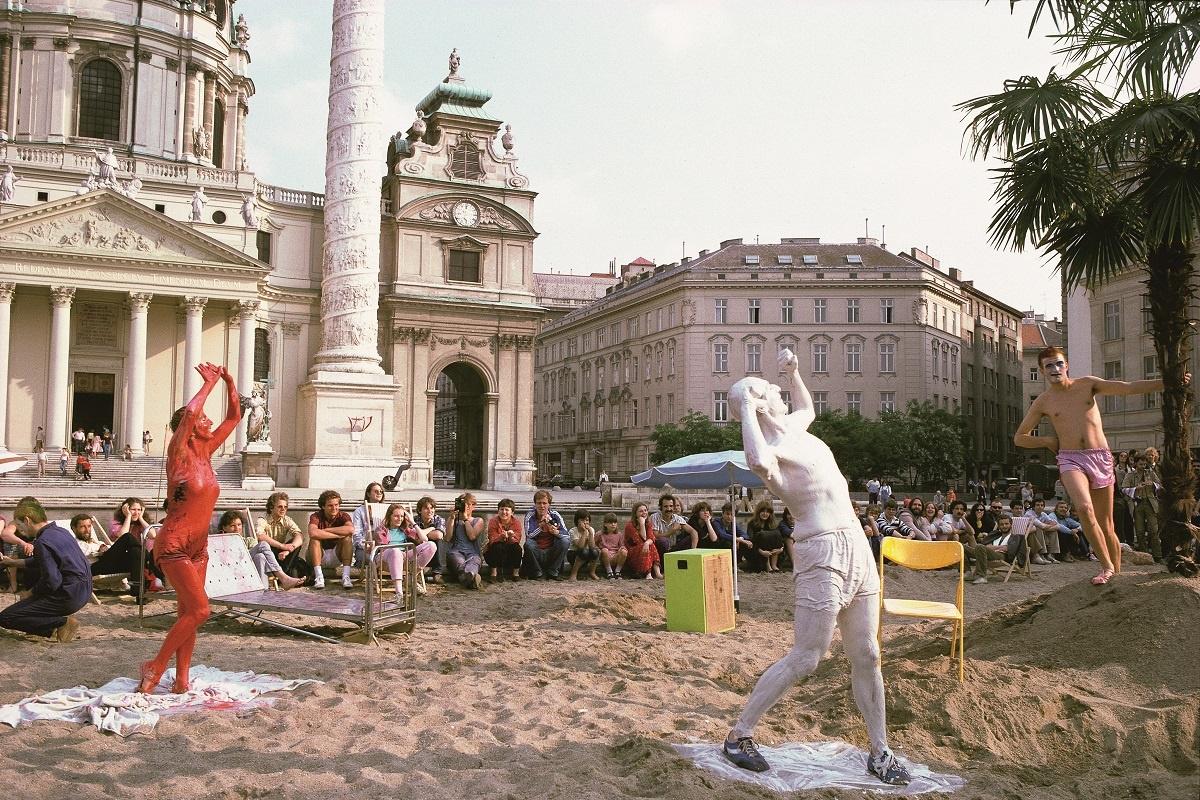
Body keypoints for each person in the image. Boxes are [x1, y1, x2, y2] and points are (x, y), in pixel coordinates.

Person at [721, 349, 910, 785]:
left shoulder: (796, 428)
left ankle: (880, 751)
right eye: (768, 387)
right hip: (820, 550)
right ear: (759, 402)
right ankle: (740, 734)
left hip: (857, 547)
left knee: (868, 653)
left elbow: (804, 406)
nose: (775, 388)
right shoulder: (770, 448)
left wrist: (793, 375)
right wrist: (746, 405)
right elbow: (756, 463)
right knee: (809, 656)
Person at [1015, 346, 1189, 585]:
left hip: (1100, 457)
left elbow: (1127, 388)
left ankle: (1115, 575)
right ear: (1043, 372)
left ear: (1066, 366)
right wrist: (1046, 440)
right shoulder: (1043, 402)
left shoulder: (1087, 384)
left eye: (1058, 364)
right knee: (1085, 509)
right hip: (1070, 458)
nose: (1055, 369)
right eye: (1048, 366)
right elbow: (1019, 437)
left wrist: (1168, 382)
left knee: (1107, 525)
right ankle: (1106, 566)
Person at [137, 363, 239, 694]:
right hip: (173, 545)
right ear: (190, 427)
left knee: (189, 614)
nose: (208, 420)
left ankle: (182, 679)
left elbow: (234, 418)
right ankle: (155, 665)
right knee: (201, 609)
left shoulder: (206, 453)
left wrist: (229, 382)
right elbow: (193, 411)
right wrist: (208, 384)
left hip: (199, 547)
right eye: (202, 419)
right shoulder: (178, 454)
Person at [0, 497, 92, 642]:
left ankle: (60, 624)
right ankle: (54, 625)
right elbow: (41, 561)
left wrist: (30, 593)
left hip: (68, 596)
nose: (21, 530)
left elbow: (52, 581)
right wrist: (12, 562)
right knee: (23, 608)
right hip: (84, 592)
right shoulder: (61, 531)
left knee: (6, 617)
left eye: (19, 525)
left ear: (27, 520)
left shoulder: (42, 542)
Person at [373, 503, 432, 596]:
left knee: (431, 545)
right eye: (396, 516)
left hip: (403, 557)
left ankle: (410, 577)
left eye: (401, 516)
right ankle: (399, 593)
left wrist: (413, 522)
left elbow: (424, 539)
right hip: (384, 559)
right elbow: (382, 548)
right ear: (389, 516)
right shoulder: (381, 529)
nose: (399, 519)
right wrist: (397, 553)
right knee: (395, 551)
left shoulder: (404, 530)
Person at [254, 492, 307, 584]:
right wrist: (282, 546)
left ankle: (284, 575)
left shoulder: (286, 520)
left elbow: (300, 535)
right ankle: (285, 576)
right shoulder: (262, 520)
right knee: (265, 544)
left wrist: (288, 550)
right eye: (280, 507)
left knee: (296, 543)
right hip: (267, 552)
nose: (283, 509)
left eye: (285, 507)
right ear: (271, 507)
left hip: (282, 554)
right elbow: (260, 536)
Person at [307, 489, 354, 590]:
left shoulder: (343, 516)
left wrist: (325, 531)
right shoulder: (316, 516)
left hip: (336, 555)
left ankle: (346, 576)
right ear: (323, 506)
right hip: (319, 554)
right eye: (330, 505)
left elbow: (350, 529)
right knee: (314, 539)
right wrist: (337, 535)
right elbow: (313, 533)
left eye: (336, 505)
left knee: (347, 538)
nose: (334, 508)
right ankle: (319, 577)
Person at [1122, 451, 1162, 560]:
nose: (1143, 466)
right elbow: (1124, 489)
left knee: (1153, 530)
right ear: (1135, 464)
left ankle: (1157, 555)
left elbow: (1160, 485)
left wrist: (1153, 484)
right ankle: (1145, 556)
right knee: (1139, 531)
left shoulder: (1150, 473)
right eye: (1140, 464)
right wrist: (1136, 489)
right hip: (1137, 504)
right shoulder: (1130, 475)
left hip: (1150, 503)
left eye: (1144, 464)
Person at [522, 489, 568, 580]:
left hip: (551, 551)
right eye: (539, 503)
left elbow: (566, 534)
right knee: (528, 544)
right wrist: (541, 527)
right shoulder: (530, 515)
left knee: (564, 541)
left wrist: (556, 532)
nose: (541, 506)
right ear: (535, 504)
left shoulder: (555, 515)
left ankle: (553, 572)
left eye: (544, 503)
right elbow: (529, 534)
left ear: (549, 504)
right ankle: (537, 572)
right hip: (536, 551)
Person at [446, 493, 485, 589]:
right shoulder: (453, 520)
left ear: (473, 506)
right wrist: (451, 519)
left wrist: (466, 519)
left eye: (468, 505)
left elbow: (472, 536)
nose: (466, 507)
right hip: (456, 552)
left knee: (474, 562)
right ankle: (473, 578)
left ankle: (467, 577)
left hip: (472, 553)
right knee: (458, 561)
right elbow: (447, 538)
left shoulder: (478, 520)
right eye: (463, 504)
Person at [350, 482, 385, 576]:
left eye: (381, 491)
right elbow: (357, 534)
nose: (379, 493)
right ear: (368, 493)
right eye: (376, 491)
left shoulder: (386, 510)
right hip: (365, 548)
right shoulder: (359, 511)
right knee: (370, 557)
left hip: (382, 547)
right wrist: (366, 546)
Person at [483, 498, 523, 581]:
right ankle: (494, 573)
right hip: (495, 551)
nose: (504, 512)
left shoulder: (516, 522)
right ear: (498, 511)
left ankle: (516, 573)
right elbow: (492, 539)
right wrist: (501, 537)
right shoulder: (493, 521)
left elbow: (517, 539)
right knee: (497, 546)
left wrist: (511, 537)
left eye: (507, 510)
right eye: (501, 509)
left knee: (517, 548)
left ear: (512, 512)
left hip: (509, 552)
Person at [414, 497, 448, 584]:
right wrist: (431, 529)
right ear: (420, 510)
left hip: (435, 555)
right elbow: (414, 537)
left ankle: (437, 572)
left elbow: (438, 535)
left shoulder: (439, 519)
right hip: (421, 553)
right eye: (426, 508)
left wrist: (421, 534)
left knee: (439, 540)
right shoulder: (415, 520)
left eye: (432, 508)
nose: (430, 511)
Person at [623, 502, 661, 579]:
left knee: (650, 545)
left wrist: (647, 542)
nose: (644, 513)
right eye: (641, 511)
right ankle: (648, 573)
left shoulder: (649, 524)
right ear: (635, 513)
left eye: (645, 510)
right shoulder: (630, 526)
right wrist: (642, 524)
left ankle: (657, 573)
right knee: (643, 545)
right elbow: (641, 539)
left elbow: (651, 538)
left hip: (644, 549)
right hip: (632, 552)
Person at [746, 501, 785, 573]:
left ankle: (774, 565)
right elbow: (750, 540)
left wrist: (781, 549)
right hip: (758, 553)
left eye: (767, 512)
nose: (765, 514)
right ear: (758, 512)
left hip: (773, 553)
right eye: (763, 511)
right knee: (763, 535)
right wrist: (761, 552)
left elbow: (780, 538)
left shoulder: (773, 524)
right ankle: (768, 566)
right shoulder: (752, 523)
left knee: (776, 533)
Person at [597, 513, 627, 578]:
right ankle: (609, 571)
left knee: (624, 551)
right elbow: (594, 544)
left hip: (615, 556)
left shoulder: (619, 534)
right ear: (605, 524)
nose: (613, 524)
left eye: (615, 522)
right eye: (610, 523)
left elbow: (622, 545)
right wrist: (599, 550)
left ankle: (617, 571)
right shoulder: (600, 534)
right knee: (604, 550)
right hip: (605, 557)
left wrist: (621, 549)